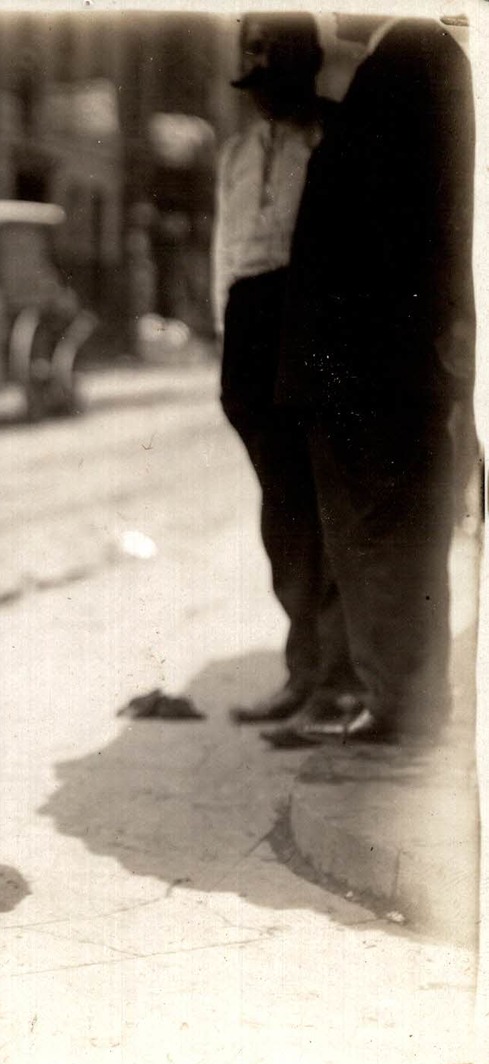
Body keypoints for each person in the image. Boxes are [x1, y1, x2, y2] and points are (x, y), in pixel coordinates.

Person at [276, 15, 475, 745]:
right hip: (369, 367)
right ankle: (398, 701)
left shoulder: (414, 55)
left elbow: (431, 219)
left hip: (378, 368)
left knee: (386, 537)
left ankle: (403, 707)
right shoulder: (397, 61)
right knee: (377, 540)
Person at [209, 13, 356, 739]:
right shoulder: (238, 152)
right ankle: (303, 670)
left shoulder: (336, 136)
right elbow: (224, 252)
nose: (266, 98)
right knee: (283, 506)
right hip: (249, 323)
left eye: (279, 82)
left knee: (329, 499)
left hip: (311, 319)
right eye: (255, 84)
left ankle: (340, 678)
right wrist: (224, 336)